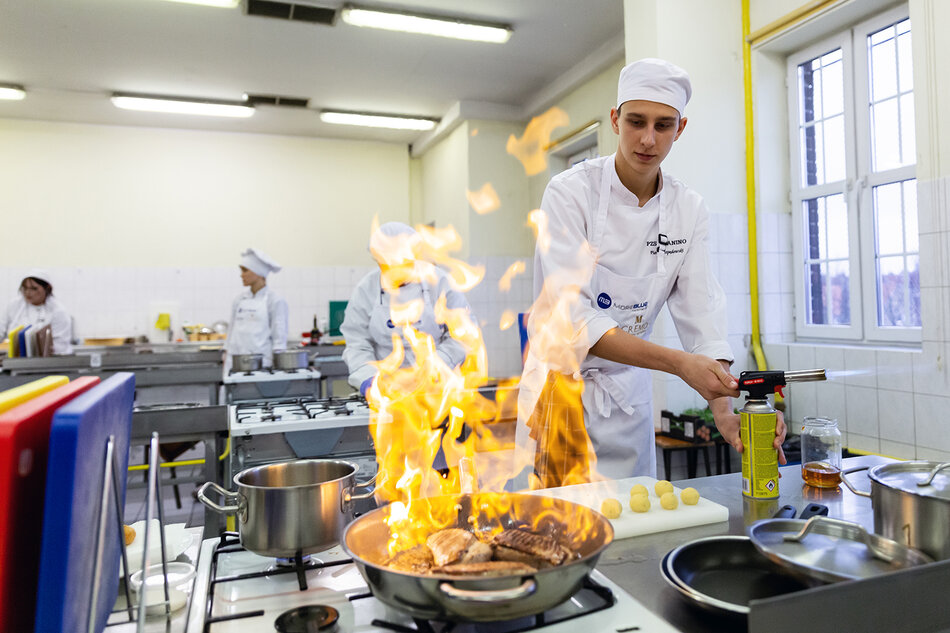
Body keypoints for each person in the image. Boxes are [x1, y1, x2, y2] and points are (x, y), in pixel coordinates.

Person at [518, 58, 786, 486]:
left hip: (627, 401)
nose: (647, 139)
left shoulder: (688, 208)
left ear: (680, 128)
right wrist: (679, 364)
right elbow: (576, 319)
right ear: (615, 120)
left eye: (663, 125)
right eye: (636, 121)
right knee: (559, 534)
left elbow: (702, 315)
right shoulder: (569, 193)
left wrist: (723, 411)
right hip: (560, 399)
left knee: (635, 529)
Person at [341, 222, 470, 398]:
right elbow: (357, 343)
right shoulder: (366, 289)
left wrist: (435, 365)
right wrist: (369, 380)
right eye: (387, 266)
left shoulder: (440, 282)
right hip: (386, 393)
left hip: (437, 391)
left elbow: (462, 335)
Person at [226, 248, 288, 368]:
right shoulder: (239, 300)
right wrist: (227, 359)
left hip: (262, 367)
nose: (241, 275)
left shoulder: (275, 301)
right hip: (236, 365)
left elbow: (279, 341)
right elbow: (230, 335)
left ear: (258, 273)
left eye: (245, 270)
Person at [1, 269, 73, 355]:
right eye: (25, 288)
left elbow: (60, 346)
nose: (28, 292)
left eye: (34, 289)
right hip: (16, 360)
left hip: (48, 363)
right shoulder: (15, 305)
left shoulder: (58, 311)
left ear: (47, 288)